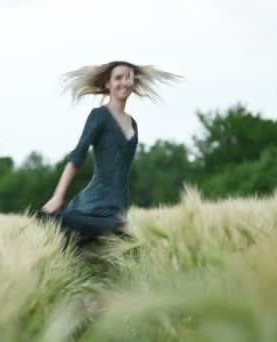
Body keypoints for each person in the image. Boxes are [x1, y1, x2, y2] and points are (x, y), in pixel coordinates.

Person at [32, 60, 182, 251]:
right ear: (107, 84)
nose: (124, 82)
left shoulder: (133, 123)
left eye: (129, 77)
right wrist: (57, 197)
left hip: (118, 208)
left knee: (135, 253)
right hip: (94, 206)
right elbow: (77, 155)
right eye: (118, 78)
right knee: (47, 224)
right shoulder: (99, 116)